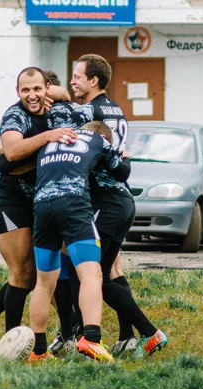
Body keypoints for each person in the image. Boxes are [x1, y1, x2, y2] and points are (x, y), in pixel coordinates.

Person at [51, 54, 167, 358]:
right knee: (106, 272)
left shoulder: (86, 111)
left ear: (94, 81)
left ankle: (141, 333)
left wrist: (60, 95)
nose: (72, 81)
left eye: (77, 77)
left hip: (107, 200)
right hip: (121, 199)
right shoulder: (115, 108)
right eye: (72, 77)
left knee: (86, 273)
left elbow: (55, 121)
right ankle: (131, 335)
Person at [0, 67, 75, 349]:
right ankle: (11, 342)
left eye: (37, 89)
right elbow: (12, 151)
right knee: (23, 273)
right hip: (6, 200)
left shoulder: (54, 107)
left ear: (47, 88)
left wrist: (57, 94)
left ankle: (66, 332)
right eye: (25, 90)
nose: (32, 95)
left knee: (47, 270)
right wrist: (48, 137)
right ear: (18, 92)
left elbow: (66, 94)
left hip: (35, 201)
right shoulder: (15, 115)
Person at [28, 121, 122, 363]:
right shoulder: (98, 140)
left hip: (42, 207)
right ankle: (91, 338)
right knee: (91, 274)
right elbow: (122, 171)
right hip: (73, 203)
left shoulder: (50, 140)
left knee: (43, 282)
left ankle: (38, 351)